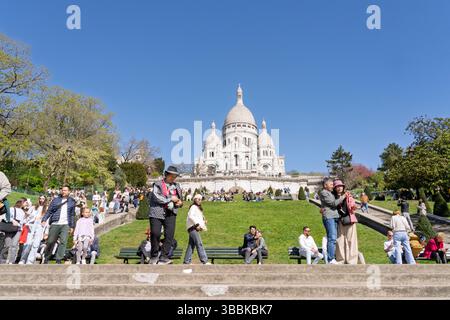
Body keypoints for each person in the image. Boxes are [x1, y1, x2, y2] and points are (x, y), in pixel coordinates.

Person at [149, 165, 183, 265]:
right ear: (166, 175)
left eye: (175, 176)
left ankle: (164, 256)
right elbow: (156, 197)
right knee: (155, 233)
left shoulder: (177, 186)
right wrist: (170, 199)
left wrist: (180, 203)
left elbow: (180, 198)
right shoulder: (157, 184)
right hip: (156, 212)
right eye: (172, 176)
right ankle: (154, 255)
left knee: (169, 236)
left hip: (171, 213)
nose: (173, 178)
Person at [41, 186, 76, 264]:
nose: (63, 192)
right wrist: (44, 219)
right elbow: (49, 211)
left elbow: (72, 215)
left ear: (69, 191)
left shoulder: (72, 201)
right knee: (50, 241)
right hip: (55, 223)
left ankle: (59, 259)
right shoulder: (55, 200)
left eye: (65, 190)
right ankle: (46, 257)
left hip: (65, 224)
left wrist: (72, 226)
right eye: (62, 190)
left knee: (63, 242)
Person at [319, 177, 347, 264]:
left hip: (334, 217)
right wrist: (343, 196)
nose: (332, 186)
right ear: (325, 185)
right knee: (332, 238)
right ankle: (331, 259)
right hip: (329, 217)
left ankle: (331, 258)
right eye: (331, 184)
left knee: (333, 238)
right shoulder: (324, 193)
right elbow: (333, 203)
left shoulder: (330, 193)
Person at [334, 180, 359, 264]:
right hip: (340, 221)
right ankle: (341, 260)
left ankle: (352, 260)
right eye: (337, 186)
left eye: (341, 186)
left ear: (343, 187)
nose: (339, 188)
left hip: (349, 220)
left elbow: (352, 205)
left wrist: (354, 207)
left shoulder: (348, 196)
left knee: (351, 241)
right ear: (335, 188)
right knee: (340, 241)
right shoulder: (334, 198)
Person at [19, 196, 48, 264]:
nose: (41, 200)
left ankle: (30, 261)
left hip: (40, 227)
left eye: (43, 199)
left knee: (36, 245)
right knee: (27, 243)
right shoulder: (33, 207)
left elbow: (47, 221)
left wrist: (46, 232)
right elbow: (27, 216)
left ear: (45, 200)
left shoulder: (46, 209)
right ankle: (22, 259)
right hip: (31, 226)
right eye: (40, 198)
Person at [183, 194, 209, 265]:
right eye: (198, 199)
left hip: (193, 227)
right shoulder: (193, 207)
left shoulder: (197, 208)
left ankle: (186, 261)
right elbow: (191, 216)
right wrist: (197, 224)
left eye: (200, 199)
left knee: (191, 245)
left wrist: (203, 223)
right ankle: (204, 260)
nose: (199, 200)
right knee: (199, 243)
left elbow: (197, 218)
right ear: (194, 199)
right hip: (192, 228)